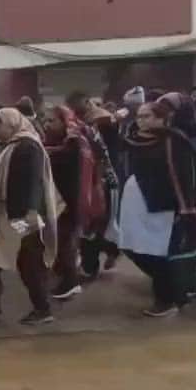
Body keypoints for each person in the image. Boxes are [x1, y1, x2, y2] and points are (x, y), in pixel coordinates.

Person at [0, 108, 61, 325]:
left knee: (29, 263)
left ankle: (42, 309)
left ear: (12, 124)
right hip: (3, 213)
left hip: (23, 216)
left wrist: (30, 212)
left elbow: (34, 181)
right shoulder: (11, 146)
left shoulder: (28, 146)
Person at [119, 98, 196, 317]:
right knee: (131, 247)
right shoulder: (134, 139)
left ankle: (167, 298)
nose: (141, 121)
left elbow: (184, 174)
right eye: (139, 116)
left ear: (162, 118)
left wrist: (186, 206)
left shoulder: (174, 140)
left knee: (157, 251)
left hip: (162, 202)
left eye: (147, 116)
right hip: (136, 201)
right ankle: (171, 290)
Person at [41, 105, 96, 300]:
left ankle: (70, 282)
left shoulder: (74, 143)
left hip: (70, 201)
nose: (47, 125)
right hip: (56, 200)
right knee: (61, 242)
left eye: (52, 120)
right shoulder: (55, 142)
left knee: (64, 243)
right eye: (45, 120)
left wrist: (42, 152)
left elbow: (60, 159)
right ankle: (66, 276)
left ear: (65, 122)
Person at [67, 93, 121, 276]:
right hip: (87, 179)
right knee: (91, 225)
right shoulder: (80, 126)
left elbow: (108, 151)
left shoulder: (103, 122)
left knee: (96, 223)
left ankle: (93, 263)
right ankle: (102, 255)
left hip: (101, 180)